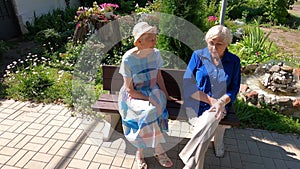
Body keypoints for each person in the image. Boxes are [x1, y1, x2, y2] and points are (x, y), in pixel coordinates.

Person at [179, 25, 241, 169]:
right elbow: (188, 84)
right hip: (196, 104)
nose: (214, 47)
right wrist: (211, 100)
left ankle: (189, 164)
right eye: (211, 42)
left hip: (219, 107)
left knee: (208, 120)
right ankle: (191, 165)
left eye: (219, 44)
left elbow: (234, 88)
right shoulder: (198, 56)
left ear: (227, 44)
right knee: (206, 129)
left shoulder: (234, 61)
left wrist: (220, 102)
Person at [118, 22, 173, 169]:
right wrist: (150, 99)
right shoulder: (128, 59)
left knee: (153, 110)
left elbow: (159, 76)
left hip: (153, 90)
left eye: (155, 39)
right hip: (135, 95)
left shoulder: (156, 54)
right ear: (139, 42)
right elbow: (129, 90)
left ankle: (141, 152)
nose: (155, 42)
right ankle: (158, 151)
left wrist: (165, 93)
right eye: (152, 40)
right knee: (149, 111)